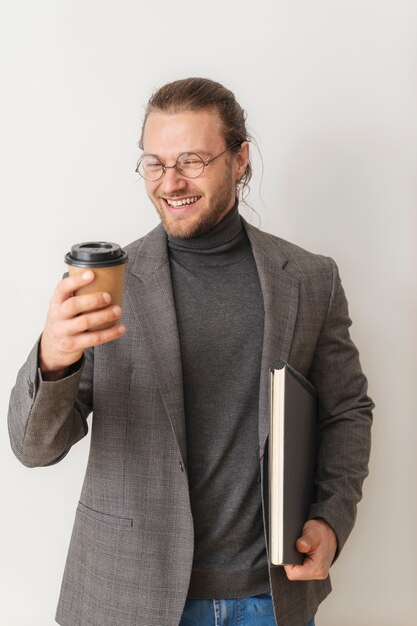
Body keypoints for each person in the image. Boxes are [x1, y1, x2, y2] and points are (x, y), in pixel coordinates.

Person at [8, 77, 373, 626]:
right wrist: (53, 359)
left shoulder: (309, 279)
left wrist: (330, 517)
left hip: (269, 598)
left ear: (240, 158)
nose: (169, 182)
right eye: (153, 163)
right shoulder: (109, 285)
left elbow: (347, 413)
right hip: (126, 597)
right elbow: (35, 449)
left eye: (191, 160)